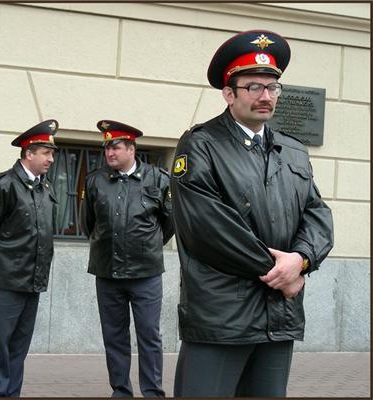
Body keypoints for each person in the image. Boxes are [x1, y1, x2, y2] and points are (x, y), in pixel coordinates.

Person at [170, 30, 334, 397]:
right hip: (222, 318)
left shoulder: (292, 150)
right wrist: (281, 272)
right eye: (254, 87)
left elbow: (316, 213)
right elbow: (207, 227)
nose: (265, 96)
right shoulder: (201, 145)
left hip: (279, 317)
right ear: (229, 94)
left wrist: (302, 260)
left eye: (273, 87)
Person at [0, 120, 59, 397]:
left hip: (33, 280)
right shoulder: (3, 185)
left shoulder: (46, 188)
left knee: (19, 348)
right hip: (4, 280)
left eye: (51, 154)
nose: (51, 159)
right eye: (46, 153)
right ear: (29, 153)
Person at [82, 120, 174, 398]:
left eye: (116, 147)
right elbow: (89, 224)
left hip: (145, 274)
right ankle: (121, 391)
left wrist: (146, 246)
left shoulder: (158, 179)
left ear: (132, 149)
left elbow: (170, 223)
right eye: (107, 148)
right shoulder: (95, 180)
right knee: (114, 337)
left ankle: (152, 392)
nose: (110, 153)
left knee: (149, 337)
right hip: (107, 274)